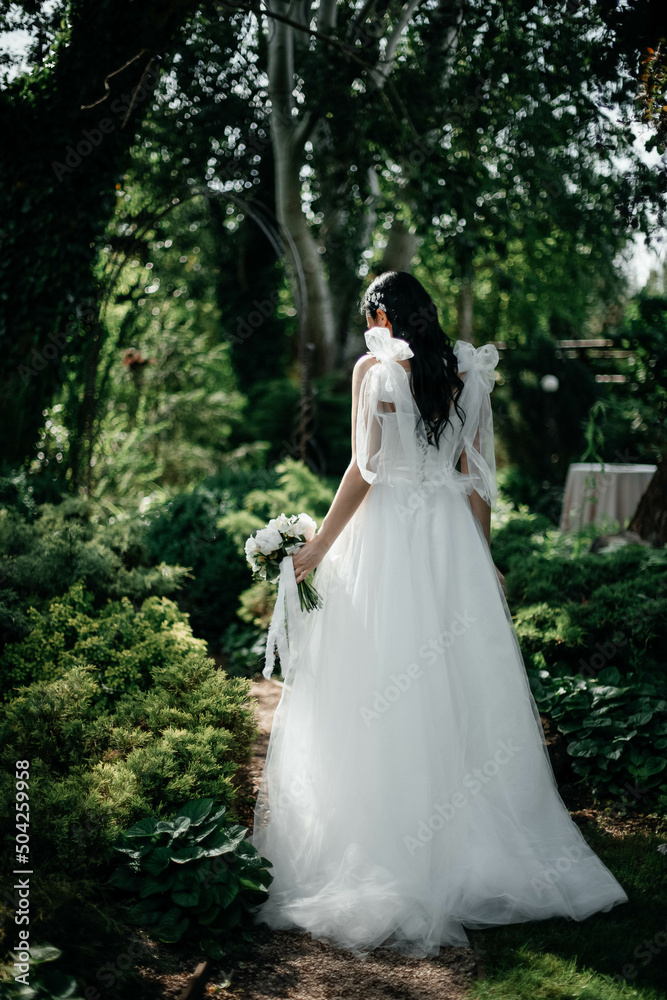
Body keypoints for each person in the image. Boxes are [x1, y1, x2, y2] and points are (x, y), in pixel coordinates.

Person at [248, 270, 628, 959]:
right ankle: (471, 835)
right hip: (447, 537)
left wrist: (318, 549)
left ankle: (387, 836)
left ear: (383, 315)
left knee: (378, 680)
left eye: (372, 313)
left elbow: (363, 470)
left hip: (387, 536)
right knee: (454, 683)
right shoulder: (467, 371)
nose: (373, 326)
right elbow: (476, 473)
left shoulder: (375, 366)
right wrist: (479, 560)